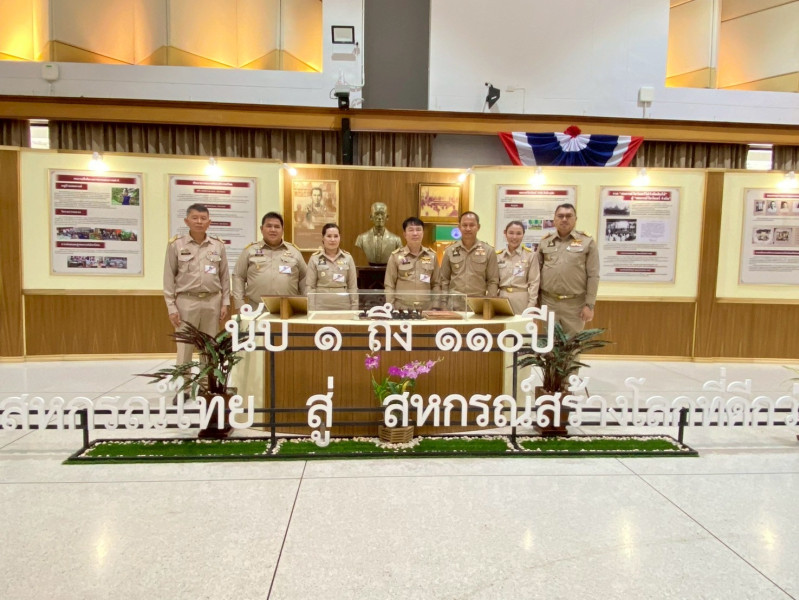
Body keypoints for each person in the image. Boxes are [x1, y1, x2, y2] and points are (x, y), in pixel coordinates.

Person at [163, 203, 230, 365]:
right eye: (195, 218)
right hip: (186, 301)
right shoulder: (176, 245)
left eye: (203, 218)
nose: (199, 221)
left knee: (210, 347)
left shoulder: (218, 245)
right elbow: (168, 277)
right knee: (185, 347)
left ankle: (207, 381)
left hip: (212, 301)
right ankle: (184, 381)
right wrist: (171, 307)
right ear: (187, 221)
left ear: (209, 222)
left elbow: (224, 276)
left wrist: (225, 303)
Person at [536, 203, 599, 335]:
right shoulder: (545, 242)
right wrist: (535, 302)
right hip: (548, 303)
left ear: (575, 219)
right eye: (560, 216)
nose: (564, 219)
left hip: (575, 305)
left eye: (569, 216)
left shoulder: (587, 242)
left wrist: (589, 305)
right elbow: (535, 273)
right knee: (549, 343)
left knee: (572, 344)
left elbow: (593, 275)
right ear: (554, 220)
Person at [232, 212, 306, 310]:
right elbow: (238, 276)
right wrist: (239, 304)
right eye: (269, 226)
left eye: (277, 226)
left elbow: (304, 278)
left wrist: (305, 303)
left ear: (282, 230)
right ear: (261, 229)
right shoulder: (250, 251)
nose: (273, 230)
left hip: (287, 308)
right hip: (256, 308)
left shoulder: (294, 252)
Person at [439, 211, 499, 305]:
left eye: (472, 225)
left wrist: (489, 304)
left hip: (478, 303)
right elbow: (444, 280)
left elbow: (493, 281)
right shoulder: (449, 251)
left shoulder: (489, 251)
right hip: (455, 304)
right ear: (459, 227)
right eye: (464, 225)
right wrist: (443, 302)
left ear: (478, 227)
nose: (468, 228)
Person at [384, 217, 440, 310]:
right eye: (411, 230)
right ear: (405, 234)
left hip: (426, 308)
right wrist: (390, 306)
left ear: (423, 233)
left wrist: (435, 306)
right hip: (402, 308)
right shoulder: (395, 256)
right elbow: (389, 285)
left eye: (418, 229)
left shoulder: (432, 256)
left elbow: (436, 284)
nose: (415, 233)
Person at [306, 223, 358, 310]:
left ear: (340, 238)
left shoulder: (348, 258)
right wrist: (310, 308)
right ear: (323, 238)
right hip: (321, 306)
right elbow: (310, 287)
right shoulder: (315, 258)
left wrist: (354, 307)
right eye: (329, 236)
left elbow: (352, 286)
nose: (333, 239)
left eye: (336, 236)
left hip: (343, 305)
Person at [497, 220, 540, 315]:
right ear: (505, 233)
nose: (514, 237)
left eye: (518, 233)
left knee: (521, 324)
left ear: (523, 235)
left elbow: (534, 282)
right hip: (501, 298)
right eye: (511, 233)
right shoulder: (498, 256)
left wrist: (531, 305)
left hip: (521, 299)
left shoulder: (530, 256)